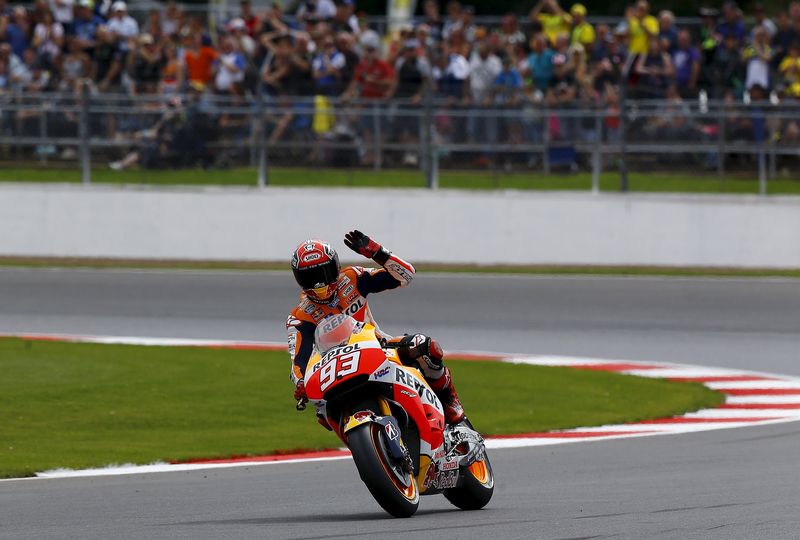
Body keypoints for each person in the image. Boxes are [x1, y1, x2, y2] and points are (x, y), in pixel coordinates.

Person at [287, 232, 465, 426]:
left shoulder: (353, 278)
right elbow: (298, 360)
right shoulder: (300, 316)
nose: (319, 284)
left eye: (323, 273)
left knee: (425, 347)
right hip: (335, 368)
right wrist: (302, 383)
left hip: (377, 346)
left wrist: (378, 252)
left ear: (335, 267)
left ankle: (448, 398)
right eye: (310, 277)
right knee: (323, 414)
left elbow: (406, 276)